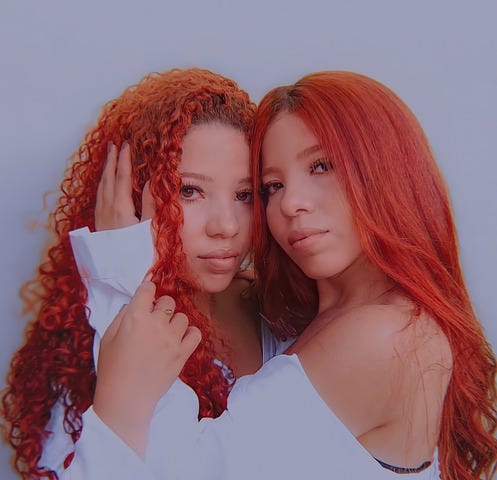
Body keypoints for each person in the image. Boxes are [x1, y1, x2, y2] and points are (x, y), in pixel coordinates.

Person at [64, 71, 497, 480]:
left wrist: (120, 283)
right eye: (272, 186)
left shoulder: (383, 338)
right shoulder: (293, 317)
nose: (291, 204)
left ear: (386, 172)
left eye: (321, 167)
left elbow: (189, 469)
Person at [1, 67, 293, 479]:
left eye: (244, 195)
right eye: (189, 191)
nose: (225, 226)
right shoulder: (86, 340)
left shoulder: (274, 309)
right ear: (131, 195)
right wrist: (123, 280)